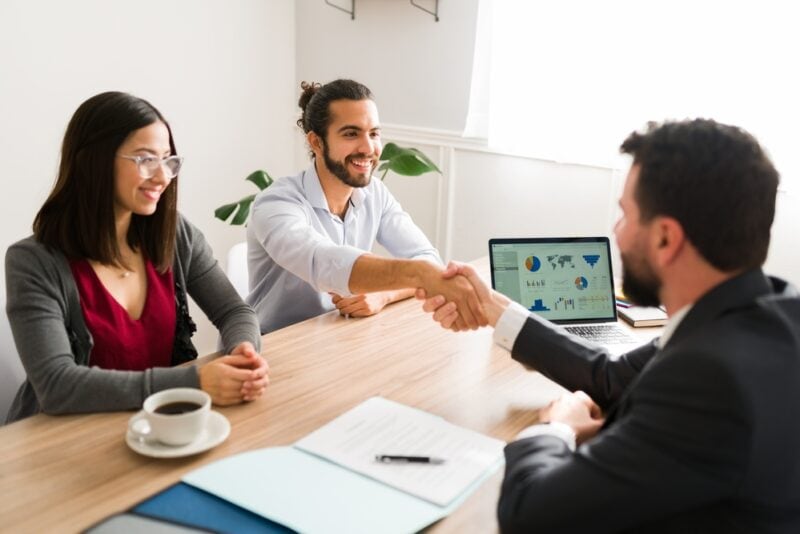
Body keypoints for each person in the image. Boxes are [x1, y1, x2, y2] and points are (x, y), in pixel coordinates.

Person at [420, 119, 800, 532]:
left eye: (625, 215)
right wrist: (493, 307)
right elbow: (613, 377)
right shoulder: (772, 310)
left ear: (665, 239)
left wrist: (556, 430)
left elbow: (530, 515)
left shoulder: (708, 379)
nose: (616, 233)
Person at [5, 92, 269, 424]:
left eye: (168, 160)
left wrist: (243, 352)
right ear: (94, 161)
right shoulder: (32, 262)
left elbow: (234, 311)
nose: (163, 177)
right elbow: (57, 386)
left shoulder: (174, 234)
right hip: (62, 437)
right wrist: (195, 381)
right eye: (146, 159)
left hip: (155, 423)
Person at [246, 79, 484, 333]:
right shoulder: (276, 204)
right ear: (316, 142)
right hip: (274, 348)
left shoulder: (374, 193)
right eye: (351, 134)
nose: (368, 148)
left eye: (373, 133)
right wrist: (421, 274)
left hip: (339, 336)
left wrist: (384, 295)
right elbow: (323, 262)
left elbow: (427, 257)